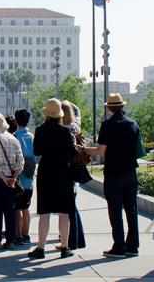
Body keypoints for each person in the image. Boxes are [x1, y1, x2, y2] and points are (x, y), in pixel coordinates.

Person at [84, 93, 141, 258]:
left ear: (109, 108)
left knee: (115, 210)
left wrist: (85, 149)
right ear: (122, 106)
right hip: (131, 172)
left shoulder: (107, 125)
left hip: (114, 173)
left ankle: (119, 246)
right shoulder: (133, 125)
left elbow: (101, 151)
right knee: (131, 209)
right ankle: (133, 246)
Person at [28, 98, 77, 260]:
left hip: (46, 172)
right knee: (64, 212)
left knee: (45, 212)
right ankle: (64, 247)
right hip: (63, 173)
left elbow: (36, 151)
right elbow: (72, 153)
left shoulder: (40, 130)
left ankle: (41, 247)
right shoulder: (65, 132)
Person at [0, 113, 24, 250]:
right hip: (12, 180)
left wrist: (3, 177)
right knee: (10, 210)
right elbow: (20, 161)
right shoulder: (12, 138)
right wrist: (13, 178)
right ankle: (11, 240)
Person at [61, 101, 86, 251]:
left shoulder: (64, 130)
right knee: (72, 206)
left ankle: (73, 240)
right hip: (75, 170)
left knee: (70, 208)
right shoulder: (75, 127)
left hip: (66, 171)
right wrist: (70, 105)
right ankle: (78, 239)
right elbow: (78, 110)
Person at [13, 109, 35, 245]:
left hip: (19, 177)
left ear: (16, 121)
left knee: (17, 208)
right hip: (30, 177)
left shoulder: (15, 136)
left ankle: (18, 235)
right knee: (26, 207)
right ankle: (26, 234)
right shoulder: (32, 136)